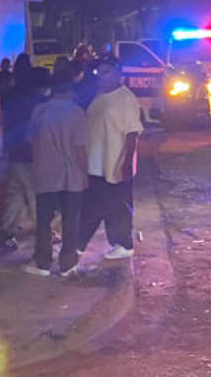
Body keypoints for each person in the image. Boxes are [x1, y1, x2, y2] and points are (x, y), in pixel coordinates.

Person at [78, 55, 143, 260]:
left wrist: (127, 162)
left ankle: (123, 244)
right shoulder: (99, 96)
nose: (101, 77)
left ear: (118, 73)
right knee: (96, 204)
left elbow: (132, 132)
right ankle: (85, 243)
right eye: (99, 73)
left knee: (116, 206)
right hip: (96, 162)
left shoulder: (126, 98)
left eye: (105, 72)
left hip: (114, 163)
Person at [24, 69, 88, 276]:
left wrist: (36, 167)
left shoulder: (39, 111)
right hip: (72, 176)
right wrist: (85, 172)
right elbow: (80, 148)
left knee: (44, 221)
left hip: (47, 174)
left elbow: (33, 143)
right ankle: (67, 263)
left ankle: (43, 262)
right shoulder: (77, 112)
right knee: (71, 220)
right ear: (71, 89)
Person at [0, 66, 51, 250]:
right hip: (32, 157)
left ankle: (5, 232)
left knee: (15, 196)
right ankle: (44, 237)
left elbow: (5, 124)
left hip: (14, 154)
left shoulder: (14, 99)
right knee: (35, 197)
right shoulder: (42, 103)